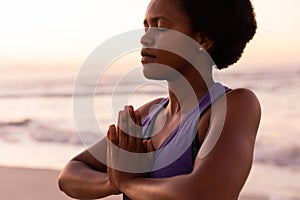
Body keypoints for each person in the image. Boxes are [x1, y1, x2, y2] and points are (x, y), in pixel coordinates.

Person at [58, 0, 261, 199]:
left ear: (202, 40)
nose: (145, 39)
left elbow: (206, 193)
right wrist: (112, 182)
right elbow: (69, 174)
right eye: (146, 27)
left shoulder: (233, 104)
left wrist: (129, 183)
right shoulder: (149, 113)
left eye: (161, 27)